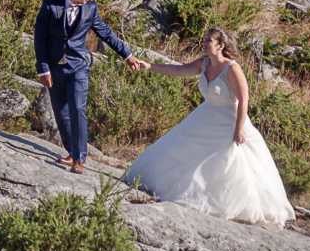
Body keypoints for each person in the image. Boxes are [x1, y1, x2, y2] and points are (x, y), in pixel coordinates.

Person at [122, 27, 295, 227]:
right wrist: (150, 66)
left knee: (230, 162)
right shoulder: (204, 63)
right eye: (204, 40)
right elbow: (180, 70)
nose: (204, 44)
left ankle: (224, 202)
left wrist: (239, 129)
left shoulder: (231, 68)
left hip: (228, 121)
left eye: (208, 41)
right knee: (177, 147)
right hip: (205, 116)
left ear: (220, 45)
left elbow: (243, 99)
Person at [34, 0, 149, 174]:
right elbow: (40, 41)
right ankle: (71, 151)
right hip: (54, 68)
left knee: (77, 109)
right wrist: (43, 69)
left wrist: (127, 55)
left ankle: (79, 158)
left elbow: (105, 33)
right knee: (61, 113)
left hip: (79, 66)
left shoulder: (91, 8)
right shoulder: (50, 6)